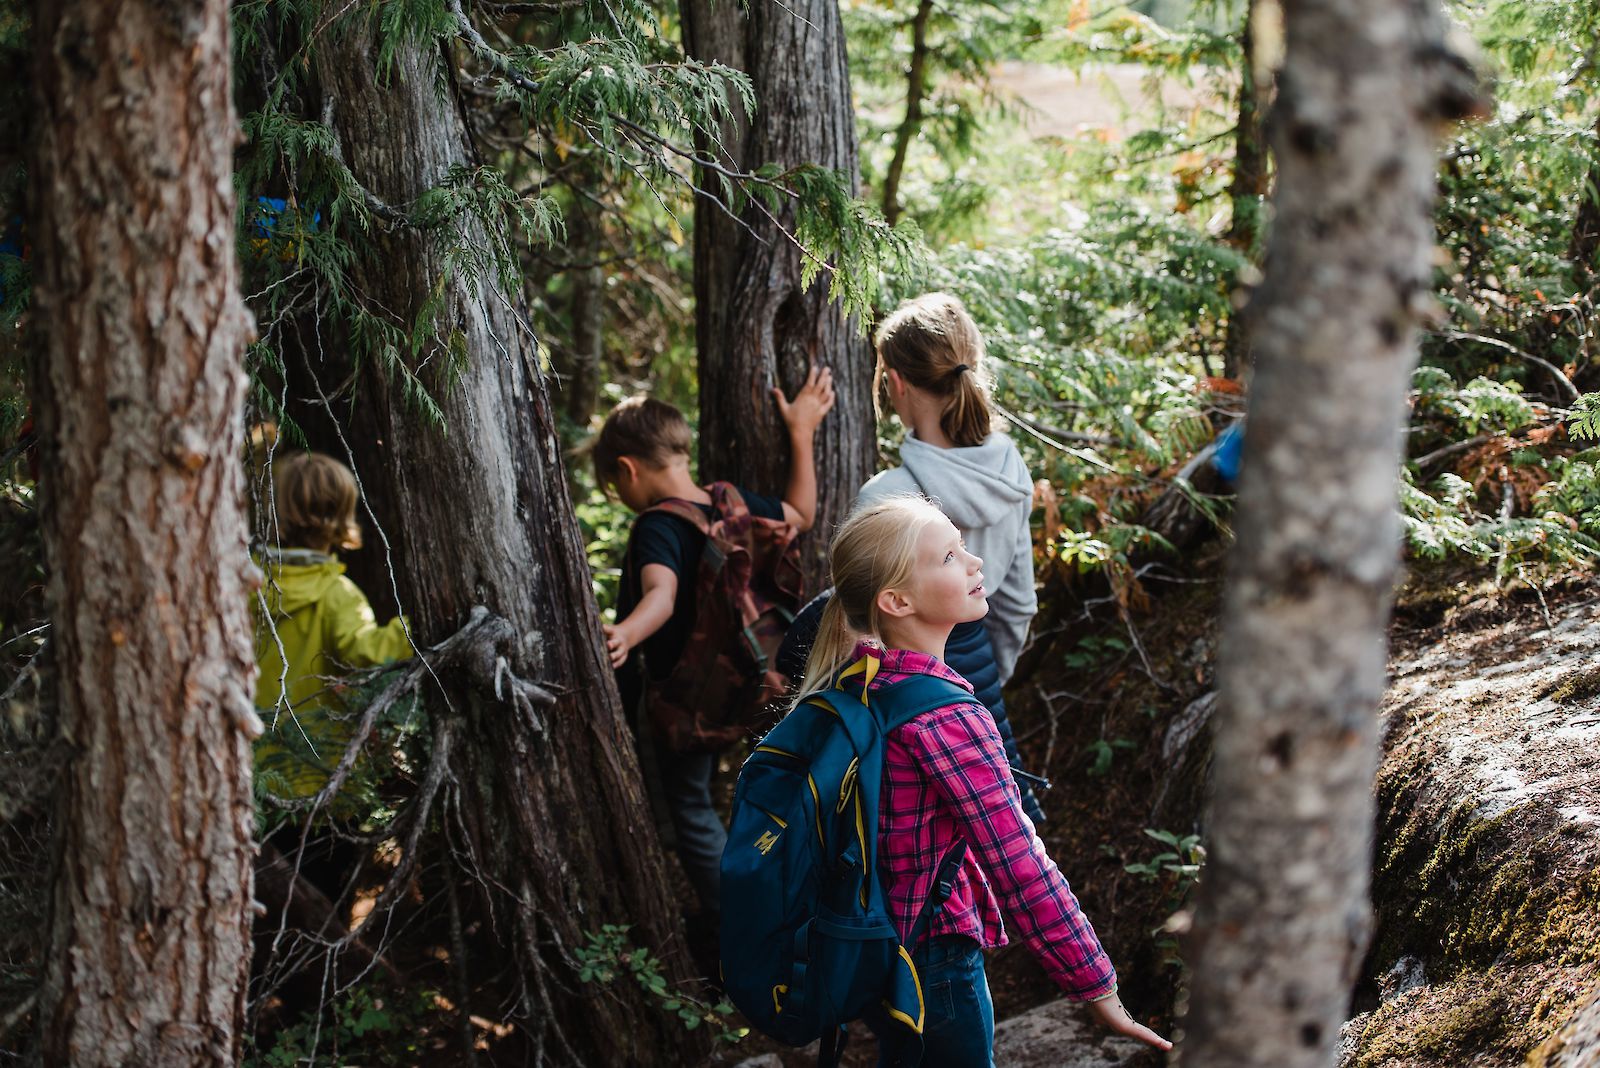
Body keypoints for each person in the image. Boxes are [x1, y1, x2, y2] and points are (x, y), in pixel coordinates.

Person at [794, 495, 1170, 1066]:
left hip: (870, 942)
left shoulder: (857, 685)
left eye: (963, 547)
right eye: (948, 556)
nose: (973, 563)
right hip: (933, 960)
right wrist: (1098, 987)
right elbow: (1019, 863)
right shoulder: (945, 717)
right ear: (895, 600)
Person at [780, 292, 1048, 822]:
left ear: (896, 382)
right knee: (1000, 832)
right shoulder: (1011, 475)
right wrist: (984, 674)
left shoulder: (888, 497)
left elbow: (856, 635)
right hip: (980, 691)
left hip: (899, 712)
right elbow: (1017, 602)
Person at [592, 371, 835, 918]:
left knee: (687, 809)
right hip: (751, 682)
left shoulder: (657, 526)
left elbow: (662, 591)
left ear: (627, 470)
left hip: (685, 703)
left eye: (615, 485)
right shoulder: (732, 503)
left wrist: (625, 633)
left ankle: (738, 922)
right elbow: (801, 515)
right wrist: (801, 432)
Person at [253, 451, 413, 800]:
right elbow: (367, 651)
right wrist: (413, 628)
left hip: (249, 763)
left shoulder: (246, 580)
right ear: (342, 519)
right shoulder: (336, 594)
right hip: (316, 769)